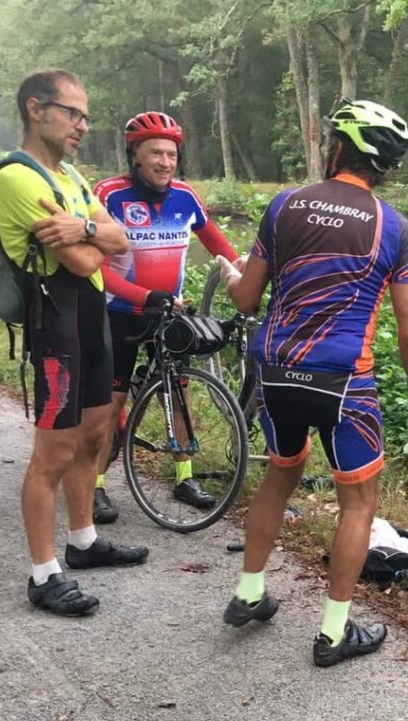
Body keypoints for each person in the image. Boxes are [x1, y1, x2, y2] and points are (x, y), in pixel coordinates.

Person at [220, 99, 408, 667]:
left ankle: (248, 594)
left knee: (279, 477)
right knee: (358, 503)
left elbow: (247, 299)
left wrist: (229, 276)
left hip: (275, 368)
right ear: (384, 166)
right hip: (343, 380)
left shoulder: (284, 204)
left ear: (336, 146)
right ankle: (334, 633)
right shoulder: (396, 228)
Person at [0, 70, 148, 616]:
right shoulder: (17, 177)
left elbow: (120, 240)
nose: (83, 124)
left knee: (94, 434)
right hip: (54, 323)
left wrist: (83, 230)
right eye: (73, 113)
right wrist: (93, 236)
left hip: (91, 318)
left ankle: (83, 543)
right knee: (52, 452)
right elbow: (86, 260)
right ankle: (43, 574)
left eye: (85, 115)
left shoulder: (72, 177)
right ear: (37, 109)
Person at [91, 111, 240, 522]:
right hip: (118, 313)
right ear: (135, 156)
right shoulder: (109, 195)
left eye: (171, 154)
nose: (164, 162)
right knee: (111, 402)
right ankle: (96, 487)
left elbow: (221, 248)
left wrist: (246, 278)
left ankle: (185, 476)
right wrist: (143, 295)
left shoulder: (185, 197)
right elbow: (93, 266)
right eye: (154, 152)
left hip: (168, 312)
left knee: (180, 392)